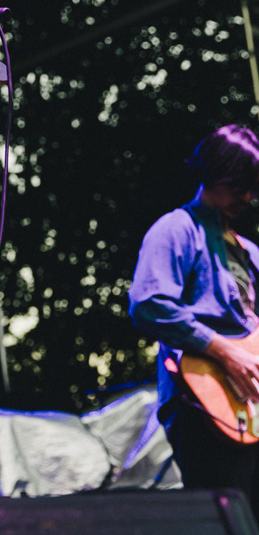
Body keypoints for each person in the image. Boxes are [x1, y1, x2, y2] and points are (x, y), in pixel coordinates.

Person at [130, 124, 259, 511]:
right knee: (229, 514)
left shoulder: (250, 251)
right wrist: (224, 350)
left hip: (250, 401)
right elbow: (149, 304)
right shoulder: (175, 230)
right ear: (213, 172)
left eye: (252, 187)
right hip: (204, 401)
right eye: (239, 184)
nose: (248, 196)